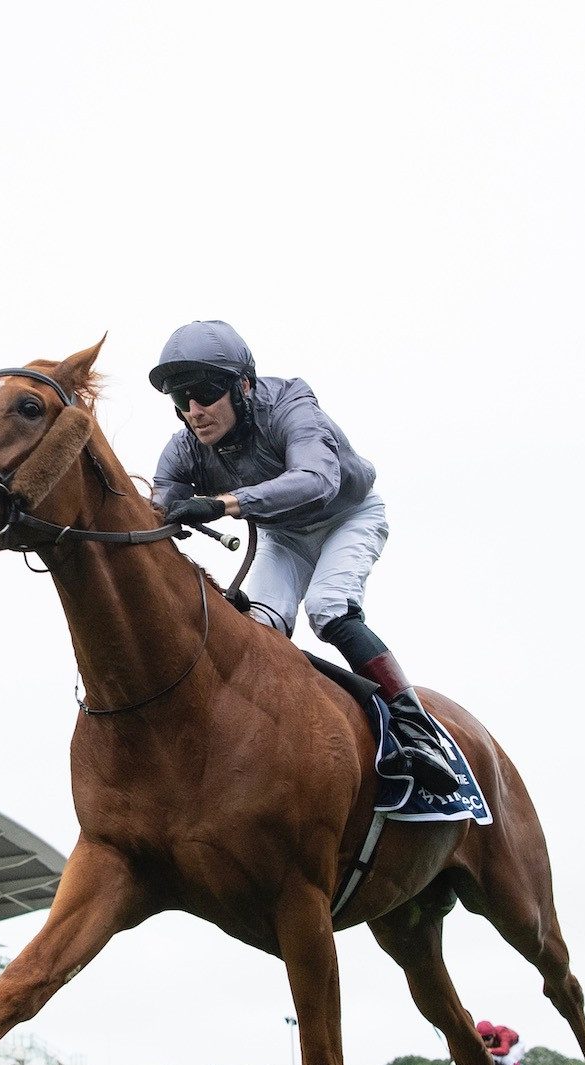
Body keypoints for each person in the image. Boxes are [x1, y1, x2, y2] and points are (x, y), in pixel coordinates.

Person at [148, 320, 459, 795]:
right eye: (180, 398)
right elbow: (155, 510)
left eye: (205, 393)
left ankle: (417, 729)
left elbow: (317, 479)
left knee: (327, 608)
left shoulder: (291, 405)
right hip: (285, 535)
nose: (194, 412)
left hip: (347, 517)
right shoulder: (184, 447)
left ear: (243, 386)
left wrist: (221, 503)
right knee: (255, 628)